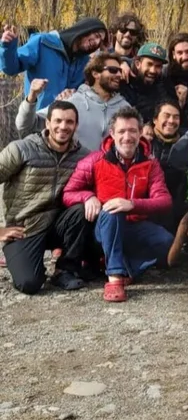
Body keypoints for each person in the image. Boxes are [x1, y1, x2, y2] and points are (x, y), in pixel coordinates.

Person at [62, 107, 174, 303]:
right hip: (102, 229)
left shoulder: (150, 164)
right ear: (112, 134)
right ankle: (114, 277)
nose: (127, 137)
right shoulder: (95, 160)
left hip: (133, 226)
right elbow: (68, 192)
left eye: (132, 131)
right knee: (113, 211)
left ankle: (128, 266)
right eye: (121, 131)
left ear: (140, 133)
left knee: (168, 242)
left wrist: (131, 204)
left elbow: (164, 200)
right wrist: (88, 197)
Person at [0, 100, 91, 295]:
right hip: (25, 228)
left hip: (59, 224)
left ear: (76, 125)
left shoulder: (83, 156)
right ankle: (26, 261)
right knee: (29, 283)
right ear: (47, 123)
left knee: (81, 209)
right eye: (57, 121)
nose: (63, 127)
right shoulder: (21, 149)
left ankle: (65, 269)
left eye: (69, 122)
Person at [16, 53, 131, 151]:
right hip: (74, 174)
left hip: (109, 176)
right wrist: (31, 97)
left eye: (120, 71)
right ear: (95, 73)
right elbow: (26, 126)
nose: (119, 75)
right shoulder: (72, 101)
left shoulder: (125, 108)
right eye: (113, 70)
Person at [0, 17, 107, 109]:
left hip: (67, 126)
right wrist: (8, 48)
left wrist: (109, 53)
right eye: (97, 36)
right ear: (85, 29)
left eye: (100, 41)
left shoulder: (85, 64)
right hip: (38, 122)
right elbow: (11, 68)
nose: (97, 43)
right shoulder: (43, 43)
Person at [146, 100, 187, 233]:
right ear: (155, 120)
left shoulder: (187, 143)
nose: (171, 121)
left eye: (176, 117)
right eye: (167, 115)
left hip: (177, 208)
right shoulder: (144, 143)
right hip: (147, 208)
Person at [119, 42, 175, 124]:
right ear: (138, 64)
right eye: (149, 64)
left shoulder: (163, 85)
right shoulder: (123, 79)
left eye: (158, 66)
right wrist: (121, 61)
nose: (153, 70)